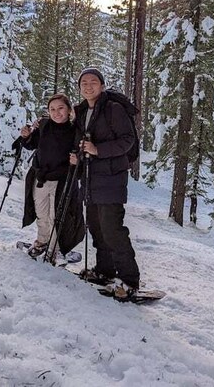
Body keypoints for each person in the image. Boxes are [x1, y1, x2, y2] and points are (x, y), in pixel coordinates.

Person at [71, 67, 140, 301]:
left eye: (93, 82)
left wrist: (98, 150)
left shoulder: (113, 109)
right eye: (84, 83)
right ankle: (105, 271)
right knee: (97, 229)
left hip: (111, 179)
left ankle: (129, 281)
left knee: (113, 231)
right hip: (89, 179)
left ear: (101, 85)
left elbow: (128, 141)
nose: (88, 86)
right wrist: (79, 155)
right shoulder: (81, 112)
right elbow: (82, 143)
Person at [19, 93, 75, 260]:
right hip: (41, 177)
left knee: (55, 216)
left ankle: (53, 248)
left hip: (61, 179)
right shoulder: (44, 125)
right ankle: (42, 241)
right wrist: (26, 136)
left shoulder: (73, 130)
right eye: (52, 109)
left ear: (69, 110)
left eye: (60, 108)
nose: (56, 112)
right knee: (41, 212)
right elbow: (31, 144)